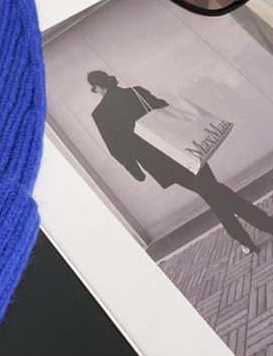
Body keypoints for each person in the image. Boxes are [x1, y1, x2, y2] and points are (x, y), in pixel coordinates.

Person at [87, 70, 273, 255]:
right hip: (184, 149)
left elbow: (115, 148)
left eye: (94, 89)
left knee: (212, 193)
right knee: (212, 191)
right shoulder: (136, 92)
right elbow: (166, 110)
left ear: (97, 87)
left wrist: (136, 171)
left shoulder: (100, 114)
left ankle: (257, 231)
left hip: (161, 164)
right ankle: (255, 231)